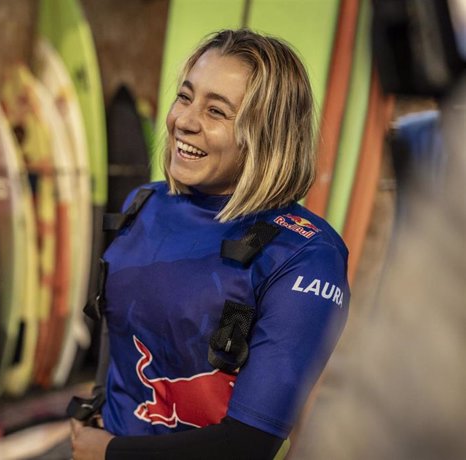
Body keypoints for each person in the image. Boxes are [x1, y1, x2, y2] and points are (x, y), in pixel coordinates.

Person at [70, 29, 350, 460]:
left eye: (216, 110)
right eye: (185, 97)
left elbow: (248, 443)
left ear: (267, 135)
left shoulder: (304, 255)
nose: (185, 120)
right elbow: (121, 342)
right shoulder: (143, 204)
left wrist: (109, 453)